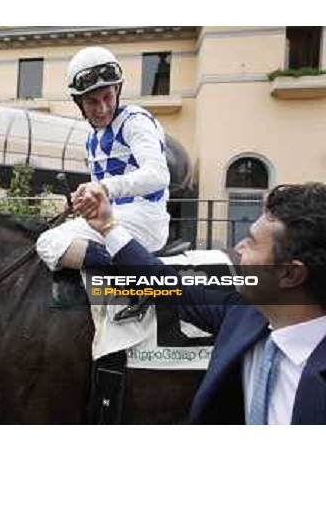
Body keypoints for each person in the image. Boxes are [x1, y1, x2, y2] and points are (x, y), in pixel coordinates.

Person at [74, 181, 326, 424]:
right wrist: (107, 226)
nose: (237, 249)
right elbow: (165, 283)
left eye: (251, 243)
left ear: (290, 274)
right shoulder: (241, 316)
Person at [36, 46, 170, 275]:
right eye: (92, 102)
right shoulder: (91, 138)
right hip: (114, 219)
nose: (103, 108)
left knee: (48, 243)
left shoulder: (135, 121)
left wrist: (102, 189)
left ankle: (135, 278)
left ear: (117, 89)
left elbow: (158, 176)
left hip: (144, 219)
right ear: (79, 104)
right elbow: (99, 195)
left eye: (108, 96)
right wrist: (84, 203)